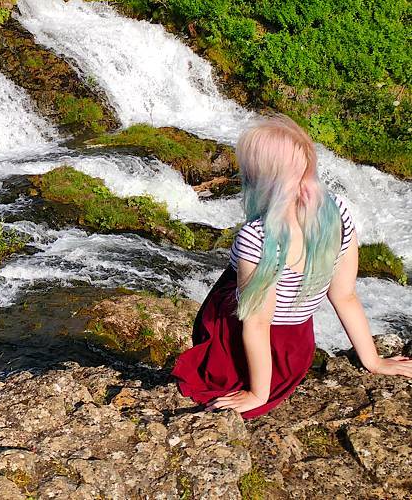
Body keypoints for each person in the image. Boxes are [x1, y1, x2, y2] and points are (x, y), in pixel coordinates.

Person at [172, 114, 412, 418]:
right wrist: (374, 361)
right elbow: (344, 296)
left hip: (250, 361)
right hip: (295, 354)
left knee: (229, 289)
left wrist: (258, 393)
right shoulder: (336, 212)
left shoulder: (257, 238)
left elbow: (257, 324)